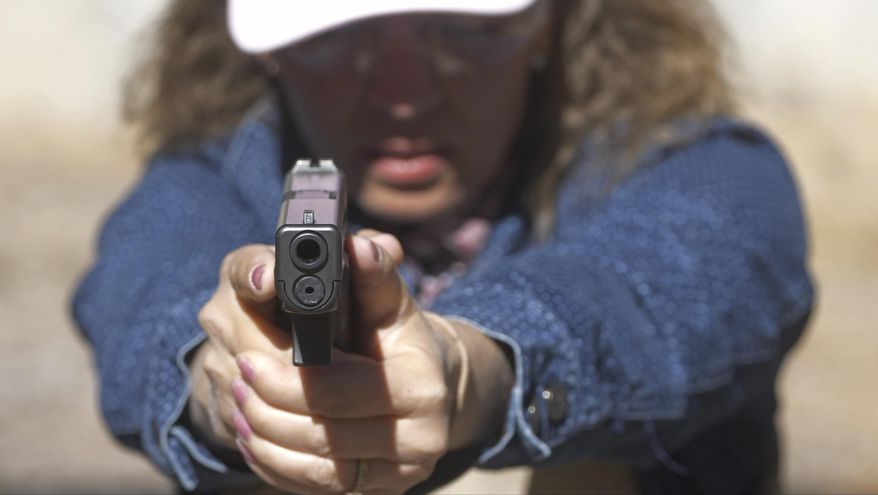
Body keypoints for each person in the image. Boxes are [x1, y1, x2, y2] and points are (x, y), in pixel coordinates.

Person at [72, 0, 814, 493]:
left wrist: (475, 370)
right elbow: (144, 292)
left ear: (553, 21)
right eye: (335, 40)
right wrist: (224, 386)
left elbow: (680, 277)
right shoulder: (210, 179)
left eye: (463, 34)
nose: (403, 93)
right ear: (266, 53)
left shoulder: (693, 170)